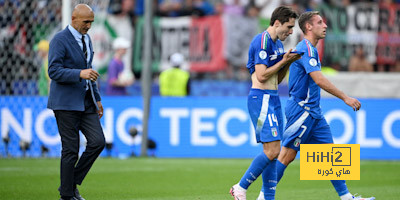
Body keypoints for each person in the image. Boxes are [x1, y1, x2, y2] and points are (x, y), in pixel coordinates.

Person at [269, 11, 375, 200]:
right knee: (286, 156)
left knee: (330, 155)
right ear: (308, 27)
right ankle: (263, 196)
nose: (324, 25)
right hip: (301, 110)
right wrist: (345, 98)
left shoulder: (311, 49)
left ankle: (346, 197)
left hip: (314, 113)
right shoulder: (306, 49)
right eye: (319, 22)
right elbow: (318, 79)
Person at [229, 6, 301, 200]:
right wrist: (283, 60)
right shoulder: (262, 41)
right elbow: (261, 76)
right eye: (289, 26)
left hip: (274, 98)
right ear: (277, 23)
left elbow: (277, 79)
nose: (291, 31)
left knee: (273, 153)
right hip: (261, 99)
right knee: (273, 151)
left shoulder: (278, 45)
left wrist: (288, 61)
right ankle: (240, 187)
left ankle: (268, 198)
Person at [47, 4, 105, 200]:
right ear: (73, 19)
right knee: (70, 149)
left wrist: (96, 99)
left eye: (91, 22)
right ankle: (67, 194)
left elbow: (89, 72)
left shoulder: (87, 39)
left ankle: (70, 184)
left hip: (86, 101)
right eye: (85, 22)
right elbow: (53, 71)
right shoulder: (59, 40)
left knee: (98, 142)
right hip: (65, 103)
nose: (89, 26)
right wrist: (79, 73)